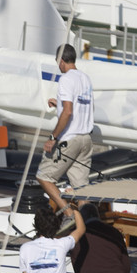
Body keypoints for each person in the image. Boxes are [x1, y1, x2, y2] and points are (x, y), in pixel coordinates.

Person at [37, 44, 95, 209]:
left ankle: (68, 213)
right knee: (81, 189)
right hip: (86, 140)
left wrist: (52, 138)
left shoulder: (66, 79)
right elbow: (82, 107)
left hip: (70, 140)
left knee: (44, 177)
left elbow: (68, 112)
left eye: (57, 62)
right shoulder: (85, 78)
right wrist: (59, 104)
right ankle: (86, 222)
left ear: (61, 61)